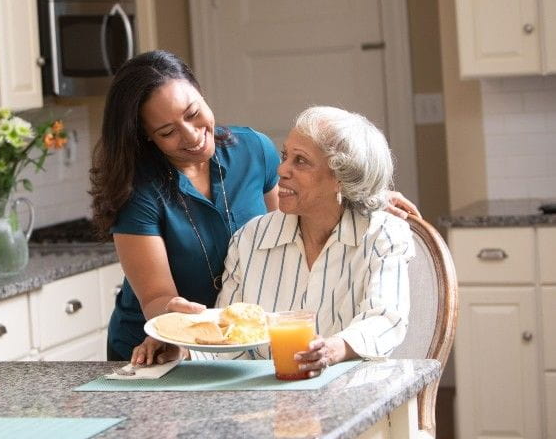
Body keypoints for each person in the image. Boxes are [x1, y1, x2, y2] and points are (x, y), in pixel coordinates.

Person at [90, 51, 419, 361]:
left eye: (193, 113)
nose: (190, 136)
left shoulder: (252, 149)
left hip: (230, 349)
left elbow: (294, 214)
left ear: (202, 95)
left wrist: (358, 196)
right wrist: (183, 338)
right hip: (159, 344)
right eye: (167, 131)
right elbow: (157, 299)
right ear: (146, 136)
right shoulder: (139, 189)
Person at [132, 106, 415, 376]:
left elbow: (385, 318)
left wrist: (333, 349)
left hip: (352, 395)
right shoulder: (250, 239)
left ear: (341, 177)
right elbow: (229, 340)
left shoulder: (382, 235)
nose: (281, 170)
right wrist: (182, 351)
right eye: (284, 156)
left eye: (300, 161)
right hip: (266, 399)